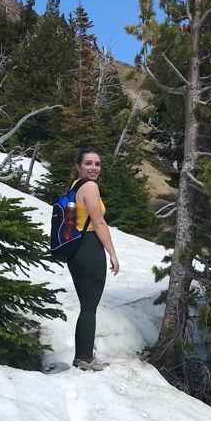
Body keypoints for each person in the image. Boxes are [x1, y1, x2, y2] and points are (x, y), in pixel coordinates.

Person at [66, 147, 119, 371]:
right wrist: (113, 253)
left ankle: (82, 356)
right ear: (79, 166)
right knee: (89, 307)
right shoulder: (89, 186)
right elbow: (99, 223)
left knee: (86, 306)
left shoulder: (74, 186)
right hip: (89, 247)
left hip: (75, 250)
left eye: (97, 164)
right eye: (88, 163)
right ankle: (85, 359)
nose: (94, 168)